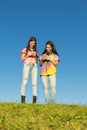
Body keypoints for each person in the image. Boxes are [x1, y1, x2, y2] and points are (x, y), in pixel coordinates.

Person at [20, 36, 38, 103]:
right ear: (29, 42)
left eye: (34, 43)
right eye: (31, 43)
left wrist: (36, 56)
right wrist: (28, 55)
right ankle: (23, 100)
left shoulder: (36, 50)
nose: (32, 44)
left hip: (34, 66)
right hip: (27, 65)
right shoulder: (25, 49)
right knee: (24, 82)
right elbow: (21, 59)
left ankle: (34, 100)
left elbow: (37, 61)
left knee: (34, 83)